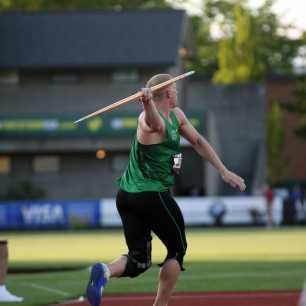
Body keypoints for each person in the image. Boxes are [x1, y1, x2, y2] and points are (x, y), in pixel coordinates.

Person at [86, 73, 246, 306]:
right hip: (150, 195)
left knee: (139, 261)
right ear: (169, 94)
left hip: (127, 196)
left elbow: (197, 142)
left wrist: (222, 170)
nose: (178, 94)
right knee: (177, 250)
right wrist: (147, 102)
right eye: (176, 90)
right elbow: (155, 125)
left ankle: (105, 271)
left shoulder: (178, 116)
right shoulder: (146, 118)